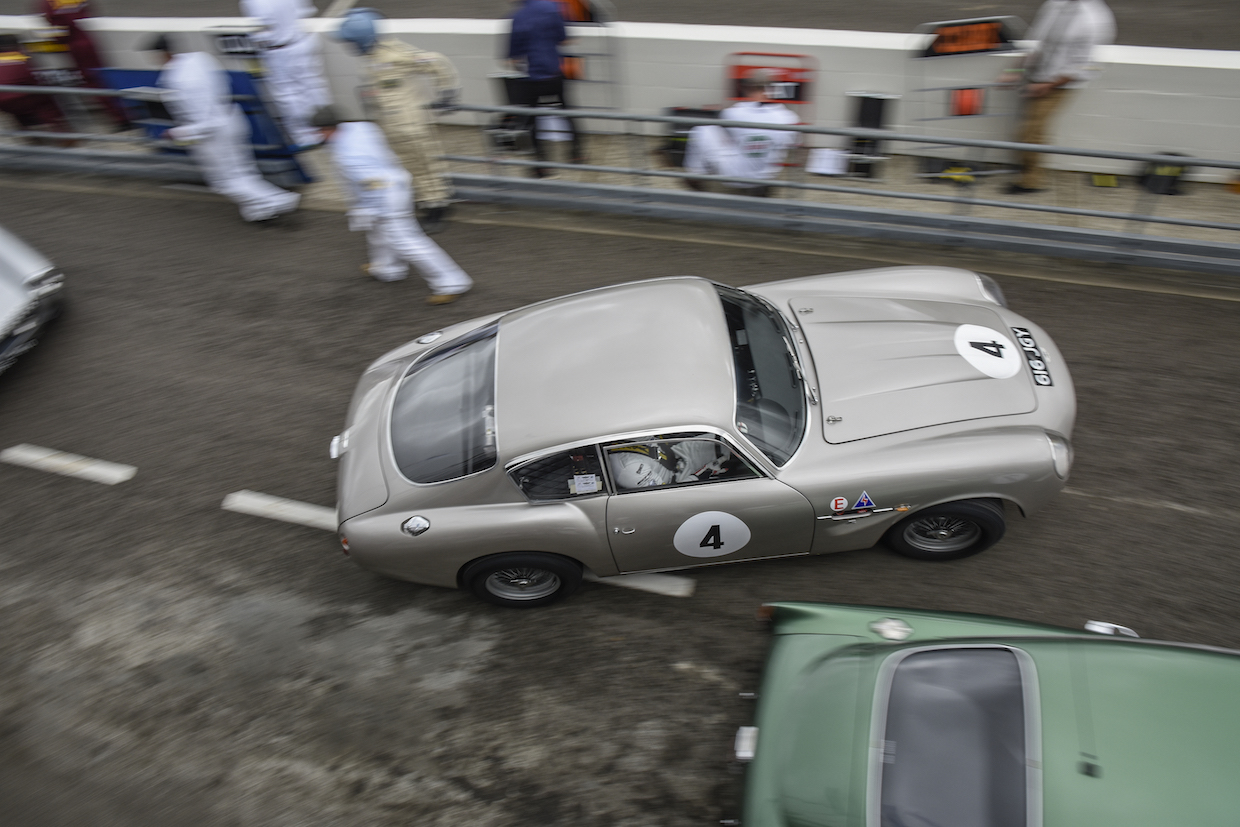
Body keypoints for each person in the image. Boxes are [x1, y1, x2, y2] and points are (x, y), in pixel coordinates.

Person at [310, 105, 472, 303]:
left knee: (407, 241)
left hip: (386, 195)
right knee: (378, 233)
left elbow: (372, 184)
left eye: (320, 131)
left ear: (329, 128)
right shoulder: (361, 127)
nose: (318, 135)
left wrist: (370, 209)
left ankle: (452, 282)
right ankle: (387, 267)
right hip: (396, 181)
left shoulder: (350, 157)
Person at [148, 35, 300, 223]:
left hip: (215, 136)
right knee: (244, 173)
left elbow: (206, 121)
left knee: (226, 181)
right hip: (231, 119)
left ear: (162, 54)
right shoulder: (198, 58)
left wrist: (178, 133)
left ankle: (278, 201)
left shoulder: (180, 80)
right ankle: (261, 209)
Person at [335, 8, 460, 234]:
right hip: (389, 125)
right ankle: (423, 200)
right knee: (406, 166)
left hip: (410, 124)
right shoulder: (371, 57)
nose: (350, 47)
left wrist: (447, 93)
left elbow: (436, 61)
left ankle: (437, 206)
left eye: (352, 42)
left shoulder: (394, 53)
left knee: (424, 165)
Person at [1001, 0, 1116, 194]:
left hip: (1060, 84)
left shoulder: (1094, 19)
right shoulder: (1054, 5)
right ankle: (1025, 168)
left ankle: (1031, 182)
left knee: (1032, 132)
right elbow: (1037, 43)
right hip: (1038, 76)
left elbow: (1088, 66)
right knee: (1026, 131)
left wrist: (1048, 85)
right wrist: (1016, 71)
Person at [681, 69, 799, 194]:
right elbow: (792, 145)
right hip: (767, 177)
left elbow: (724, 133)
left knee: (702, 130)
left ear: (747, 88)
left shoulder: (734, 113)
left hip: (735, 177)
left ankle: (695, 176)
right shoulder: (789, 117)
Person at [506, 0, 585, 176]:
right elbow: (562, 38)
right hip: (554, 74)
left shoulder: (518, 17)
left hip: (533, 78)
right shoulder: (553, 7)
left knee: (531, 120)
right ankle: (577, 154)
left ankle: (541, 165)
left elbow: (513, 57)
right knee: (568, 112)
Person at [240, 0, 331, 148]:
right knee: (314, 87)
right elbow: (304, 11)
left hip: (279, 50)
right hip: (301, 41)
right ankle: (327, 128)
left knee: (288, 97)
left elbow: (261, 30)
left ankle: (304, 137)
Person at [35, 0, 130, 129]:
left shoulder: (47, 2)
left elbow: (59, 30)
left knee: (93, 82)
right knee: (104, 77)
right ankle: (125, 111)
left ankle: (121, 118)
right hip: (86, 38)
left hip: (75, 45)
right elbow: (87, 11)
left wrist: (53, 40)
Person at [0, 34, 71, 137]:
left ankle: (27, 132)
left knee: (18, 100)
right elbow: (33, 79)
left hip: (3, 102)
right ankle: (61, 129)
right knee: (49, 96)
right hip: (23, 99)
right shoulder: (20, 58)